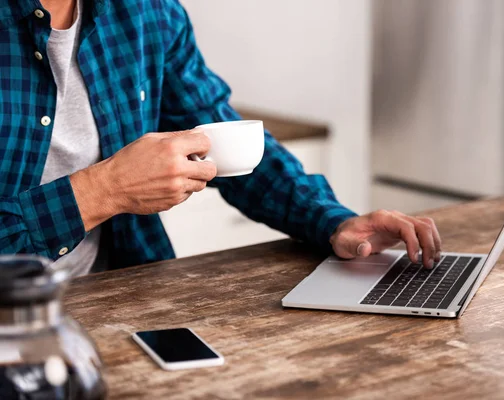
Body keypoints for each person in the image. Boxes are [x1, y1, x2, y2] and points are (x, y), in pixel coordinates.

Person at [0, 0, 442, 275]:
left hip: (117, 299)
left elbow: (222, 138)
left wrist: (335, 222)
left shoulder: (147, 12)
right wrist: (105, 189)